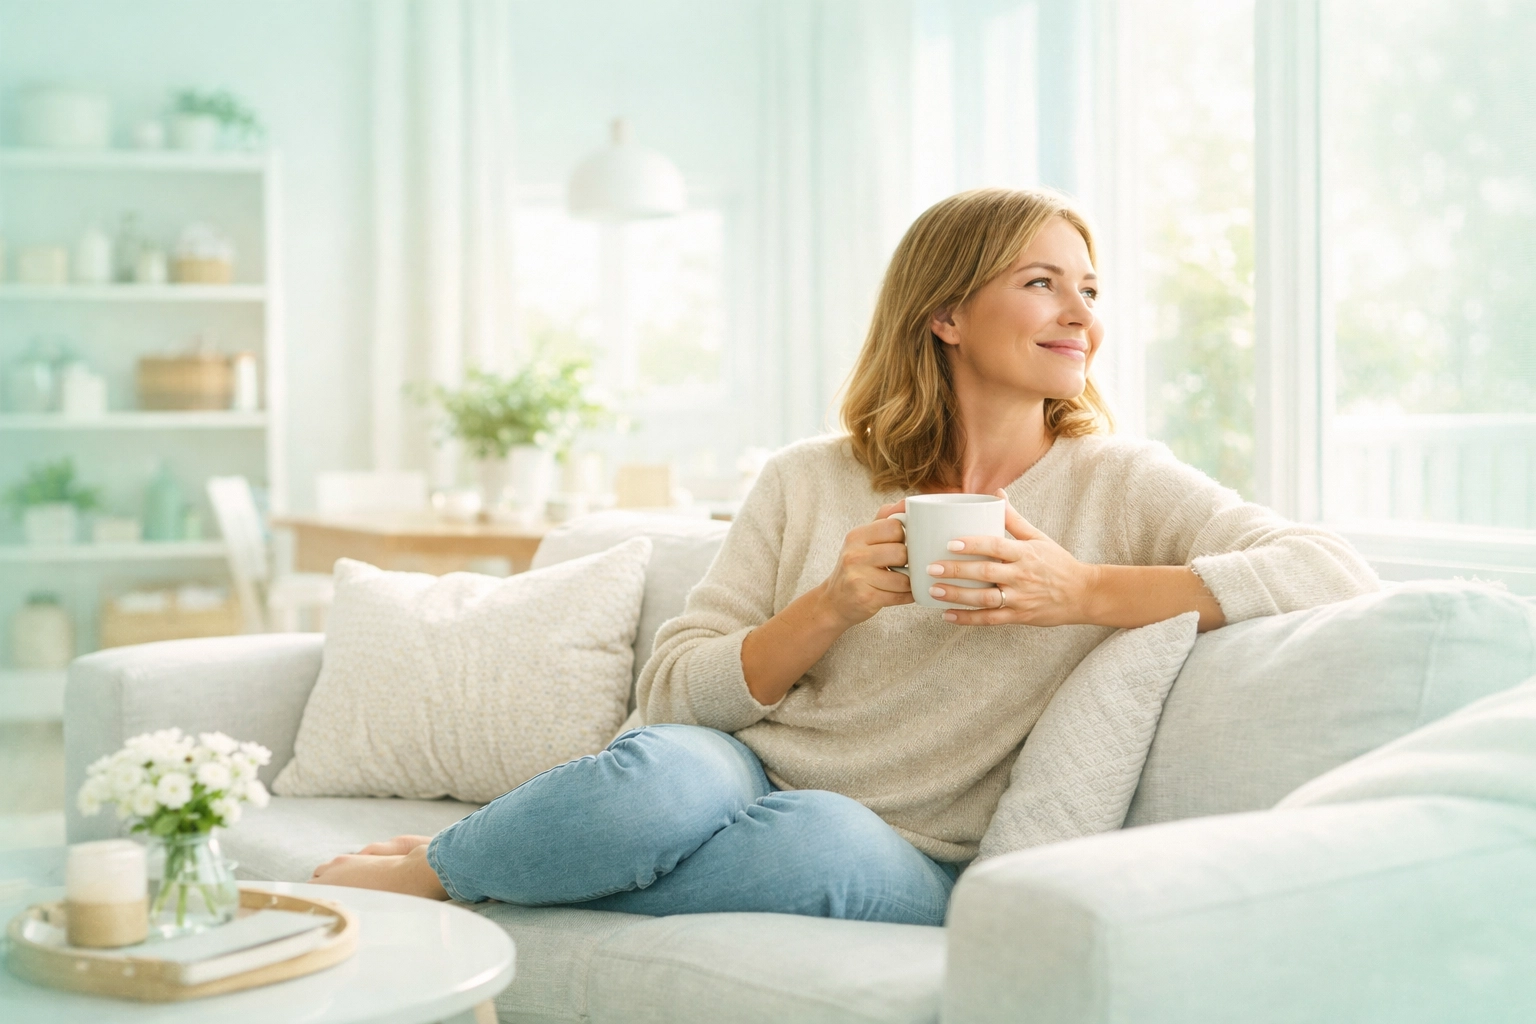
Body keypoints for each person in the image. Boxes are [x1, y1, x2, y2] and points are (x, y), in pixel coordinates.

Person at [311, 187, 1378, 923]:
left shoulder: (1123, 483)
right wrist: (830, 604)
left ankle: (467, 871)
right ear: (948, 313)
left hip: (906, 845)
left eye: (1089, 290)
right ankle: (455, 873)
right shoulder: (809, 477)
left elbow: (1332, 572)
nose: (1081, 316)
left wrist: (1082, 588)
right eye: (1045, 283)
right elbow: (677, 689)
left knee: (807, 838)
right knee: (658, 778)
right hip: (745, 760)